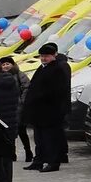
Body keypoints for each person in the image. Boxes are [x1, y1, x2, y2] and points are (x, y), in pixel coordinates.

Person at [21, 42, 70, 172]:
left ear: (54, 55)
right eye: (42, 56)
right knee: (39, 139)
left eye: (46, 56)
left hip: (50, 112)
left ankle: (53, 162)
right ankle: (38, 161)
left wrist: (39, 97)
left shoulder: (57, 69)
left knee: (50, 139)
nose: (43, 58)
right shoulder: (42, 68)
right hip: (39, 113)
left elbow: (57, 92)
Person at [1, 58, 33, 164]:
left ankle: (28, 152)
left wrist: (22, 101)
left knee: (21, 131)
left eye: (8, 64)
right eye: (3, 64)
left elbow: (27, 88)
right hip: (7, 107)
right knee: (10, 132)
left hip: (19, 108)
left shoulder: (19, 74)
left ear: (13, 64)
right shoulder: (0, 76)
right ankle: (12, 153)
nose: (5, 66)